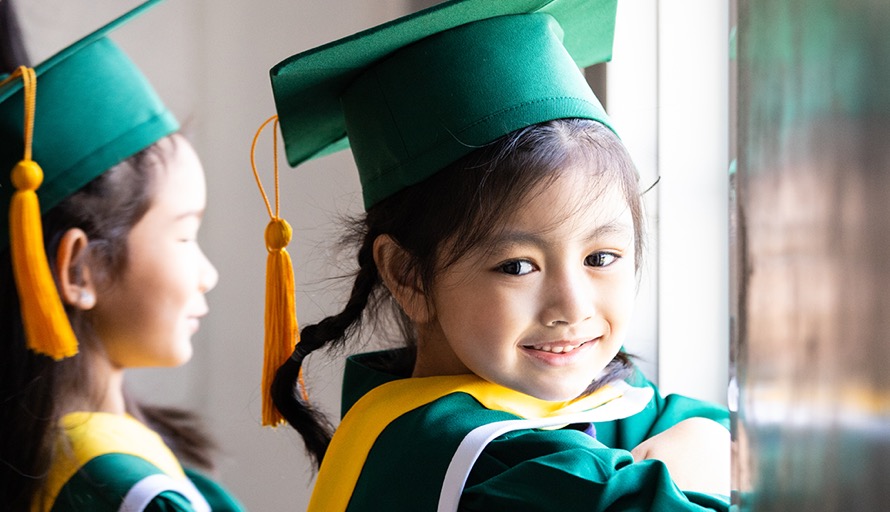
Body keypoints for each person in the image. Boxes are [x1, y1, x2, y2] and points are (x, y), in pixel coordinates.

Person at [255, 0, 731, 510]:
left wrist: (703, 435)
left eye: (601, 258)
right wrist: (705, 451)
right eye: (518, 266)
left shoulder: (586, 396)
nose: (572, 307)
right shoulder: (478, 463)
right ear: (408, 275)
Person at [0, 1, 244, 510]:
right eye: (183, 236)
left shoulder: (58, 459)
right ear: (79, 269)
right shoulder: (124, 489)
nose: (208, 274)